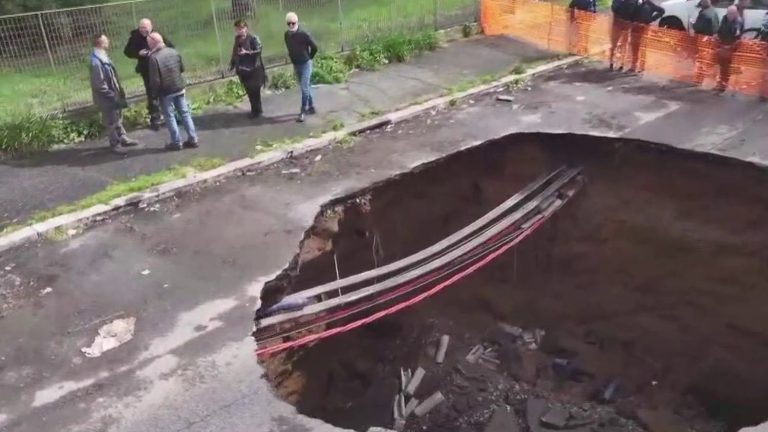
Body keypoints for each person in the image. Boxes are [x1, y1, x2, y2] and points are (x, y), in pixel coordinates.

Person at [146, 32, 199, 151]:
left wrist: (153, 95)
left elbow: (155, 81)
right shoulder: (174, 51)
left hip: (166, 92)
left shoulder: (154, 58)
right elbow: (182, 69)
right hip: (179, 87)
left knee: (169, 116)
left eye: (149, 43)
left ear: (154, 43)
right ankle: (193, 138)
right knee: (185, 113)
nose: (149, 46)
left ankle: (176, 142)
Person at [89, 33, 138, 155]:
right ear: (100, 43)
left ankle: (122, 137)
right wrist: (111, 95)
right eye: (106, 39)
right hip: (106, 97)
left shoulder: (103, 57)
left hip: (113, 93)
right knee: (110, 121)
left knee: (117, 117)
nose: (108, 41)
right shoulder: (96, 62)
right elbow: (99, 84)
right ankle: (115, 144)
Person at [124, 18, 174, 130]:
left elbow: (170, 46)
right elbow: (127, 51)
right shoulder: (135, 37)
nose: (143, 31)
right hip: (147, 70)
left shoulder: (157, 35)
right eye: (141, 28)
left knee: (165, 92)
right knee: (151, 94)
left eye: (145, 28)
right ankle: (155, 118)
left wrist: (159, 48)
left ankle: (168, 114)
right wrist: (138, 53)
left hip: (161, 68)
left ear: (151, 27)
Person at [284, 11, 318, 123]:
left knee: (304, 88)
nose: (291, 26)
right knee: (306, 87)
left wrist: (309, 58)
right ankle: (312, 107)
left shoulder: (303, 34)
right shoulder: (287, 35)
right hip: (296, 64)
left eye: (293, 23)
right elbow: (290, 48)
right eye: (288, 23)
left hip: (305, 64)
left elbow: (314, 47)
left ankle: (303, 111)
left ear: (296, 22)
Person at [230, 19, 267, 119]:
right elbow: (235, 52)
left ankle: (258, 111)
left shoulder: (253, 38)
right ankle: (254, 110)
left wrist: (247, 52)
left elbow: (259, 51)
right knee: (249, 91)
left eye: (242, 28)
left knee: (255, 91)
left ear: (246, 28)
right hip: (243, 70)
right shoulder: (237, 39)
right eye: (238, 29)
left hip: (254, 70)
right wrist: (232, 63)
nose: (240, 31)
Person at [627, 0, 665, 73]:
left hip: (644, 28)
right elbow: (629, 14)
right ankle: (633, 65)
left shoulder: (649, 4)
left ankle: (642, 66)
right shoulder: (634, 3)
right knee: (634, 46)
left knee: (643, 47)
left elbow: (662, 11)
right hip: (634, 28)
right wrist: (632, 22)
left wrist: (651, 19)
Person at [714, 5, 743, 93]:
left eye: (731, 14)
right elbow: (720, 29)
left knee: (726, 68)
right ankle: (719, 83)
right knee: (721, 66)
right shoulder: (724, 18)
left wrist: (735, 31)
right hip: (722, 46)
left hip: (730, 47)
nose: (729, 15)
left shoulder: (738, 21)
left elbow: (736, 33)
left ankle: (723, 87)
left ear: (735, 14)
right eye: (728, 13)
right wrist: (717, 36)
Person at [691, 0, 720, 85]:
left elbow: (697, 27)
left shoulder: (704, 14)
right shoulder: (714, 11)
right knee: (707, 58)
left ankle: (699, 79)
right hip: (712, 38)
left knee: (701, 59)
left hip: (703, 39)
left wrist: (692, 23)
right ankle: (706, 76)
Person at [609, 0, 638, 71]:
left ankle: (622, 63)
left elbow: (635, 12)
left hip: (626, 25)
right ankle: (611, 61)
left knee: (624, 44)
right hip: (617, 24)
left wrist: (632, 22)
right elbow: (613, 8)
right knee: (614, 44)